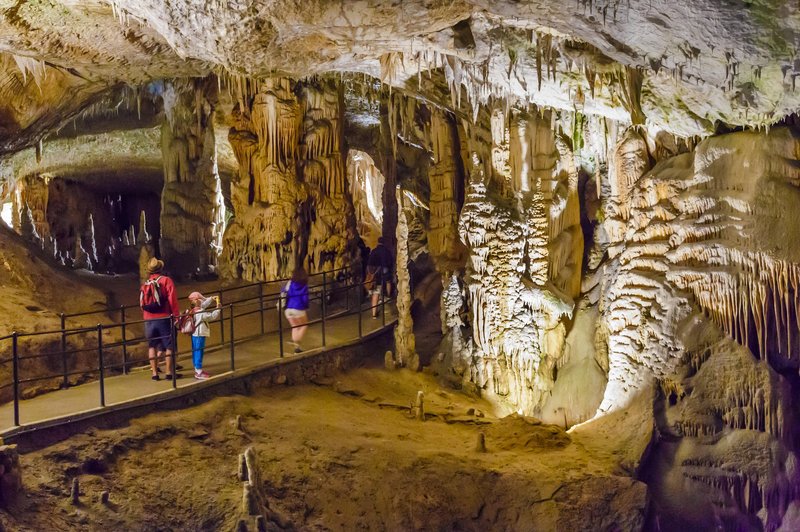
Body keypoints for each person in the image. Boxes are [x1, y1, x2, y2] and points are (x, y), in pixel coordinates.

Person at [141, 257, 180, 381]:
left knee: (152, 346)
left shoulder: (145, 284)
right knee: (169, 346)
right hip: (164, 318)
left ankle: (154, 374)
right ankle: (169, 373)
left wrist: (147, 316)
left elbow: (142, 303)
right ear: (161, 268)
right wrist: (176, 316)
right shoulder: (166, 281)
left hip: (149, 320)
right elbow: (172, 300)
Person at [188, 292, 221, 380]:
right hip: (200, 333)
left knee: (195, 350)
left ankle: (197, 369)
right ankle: (199, 372)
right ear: (196, 301)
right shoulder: (200, 313)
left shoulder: (193, 310)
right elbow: (211, 316)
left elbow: (203, 305)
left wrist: (211, 299)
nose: (201, 300)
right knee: (199, 351)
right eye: (199, 299)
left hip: (194, 334)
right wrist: (218, 308)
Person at [282, 267, 309, 354]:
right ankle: (296, 342)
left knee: (295, 326)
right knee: (304, 325)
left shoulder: (290, 284)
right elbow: (305, 298)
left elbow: (283, 291)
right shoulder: (304, 286)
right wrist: (306, 306)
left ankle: (296, 346)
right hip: (298, 308)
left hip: (288, 309)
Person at [366, 236, 393, 319]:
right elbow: (390, 260)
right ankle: (388, 295)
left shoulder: (374, 251)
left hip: (375, 272)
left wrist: (369, 273)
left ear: (378, 242)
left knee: (376, 291)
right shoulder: (386, 251)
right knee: (388, 281)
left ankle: (374, 313)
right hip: (384, 268)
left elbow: (369, 263)